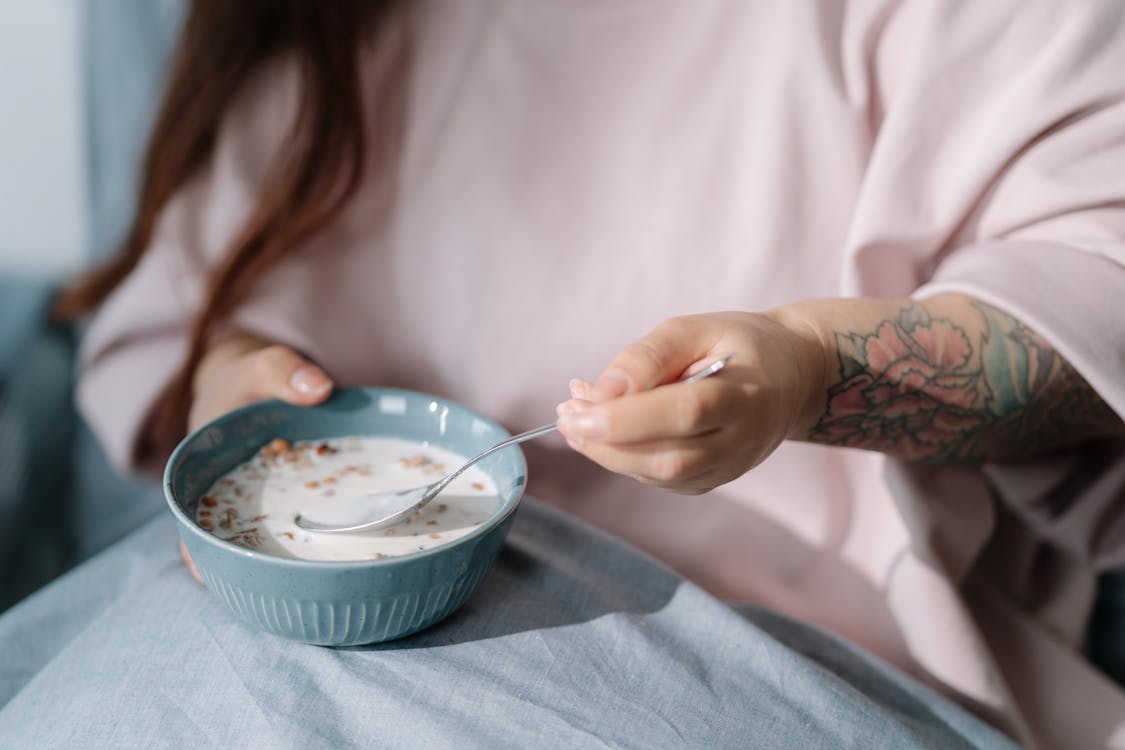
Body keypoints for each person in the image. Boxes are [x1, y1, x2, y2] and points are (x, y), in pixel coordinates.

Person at [55, 1, 1125, 747]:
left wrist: (815, 370)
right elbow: (186, 313)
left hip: (780, 659)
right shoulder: (328, 29)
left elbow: (1090, 288)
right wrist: (231, 377)